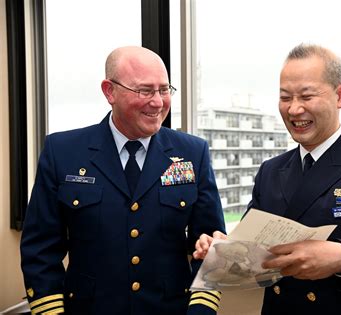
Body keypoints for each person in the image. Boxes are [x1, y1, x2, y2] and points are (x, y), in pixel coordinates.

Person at [194, 43, 341, 314]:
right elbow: (256, 256)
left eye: (307, 96)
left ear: (340, 96)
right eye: (285, 98)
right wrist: (224, 249)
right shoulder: (271, 171)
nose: (294, 109)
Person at [20, 46, 225, 315]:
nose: (158, 102)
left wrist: (200, 311)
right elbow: (40, 250)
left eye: (164, 90)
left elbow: (210, 244)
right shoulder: (63, 152)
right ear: (109, 91)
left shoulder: (191, 153)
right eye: (144, 91)